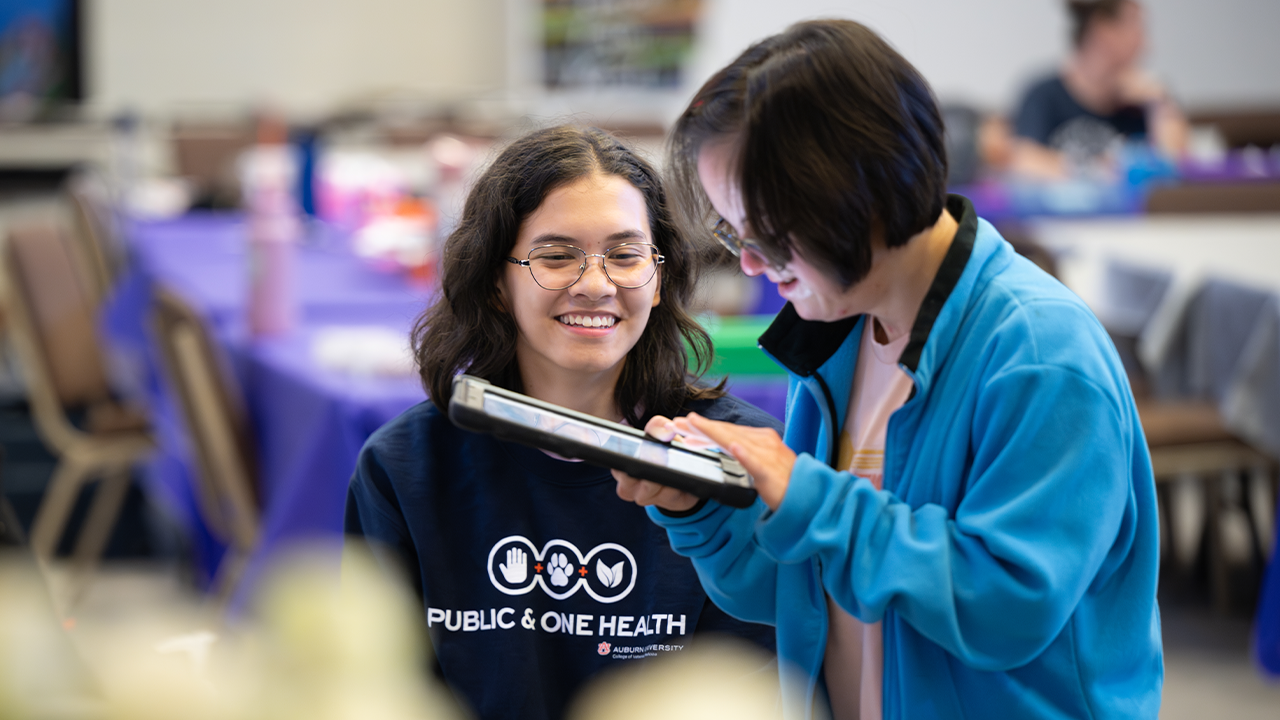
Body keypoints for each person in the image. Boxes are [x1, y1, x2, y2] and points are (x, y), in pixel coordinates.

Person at [614, 19, 1163, 719]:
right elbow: (801, 588)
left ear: (861, 195)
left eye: (767, 235)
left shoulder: (1040, 355)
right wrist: (697, 509)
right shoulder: (840, 332)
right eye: (732, 234)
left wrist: (809, 497)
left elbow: (1005, 608)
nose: (750, 265)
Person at [344, 125, 779, 720]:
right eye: (556, 256)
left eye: (625, 256)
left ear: (658, 279)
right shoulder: (406, 467)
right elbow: (377, 691)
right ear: (497, 282)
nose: (595, 285)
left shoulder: (731, 459)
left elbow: (746, 690)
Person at [1010, 0, 1187, 179]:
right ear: (1103, 30)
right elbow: (1024, 162)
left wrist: (1160, 104)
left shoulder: (1147, 101)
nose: (1144, 44)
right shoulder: (1043, 95)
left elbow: (1175, 167)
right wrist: (1100, 170)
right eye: (1135, 27)